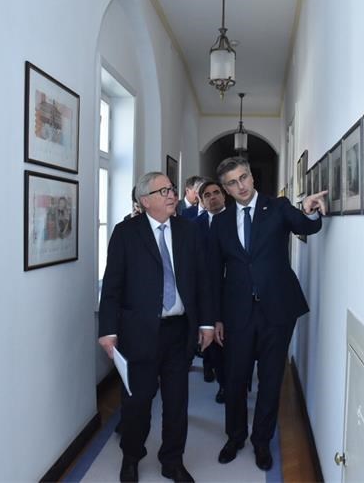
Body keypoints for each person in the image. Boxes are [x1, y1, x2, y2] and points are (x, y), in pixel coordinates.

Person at [209, 156, 327, 471]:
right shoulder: (220, 222)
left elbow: (307, 226)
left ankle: (262, 441)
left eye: (243, 177)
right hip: (237, 314)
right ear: (225, 189)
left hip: (277, 310)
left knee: (271, 380)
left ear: (251, 176)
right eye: (232, 183)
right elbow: (213, 272)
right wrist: (216, 317)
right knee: (235, 379)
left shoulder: (277, 207)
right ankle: (235, 437)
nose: (241, 186)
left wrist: (309, 210)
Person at [98, 172, 215, 483]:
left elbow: (202, 281)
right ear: (145, 201)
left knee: (177, 403)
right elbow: (112, 286)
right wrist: (108, 330)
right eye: (163, 191)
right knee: (137, 402)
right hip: (139, 333)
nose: (172, 194)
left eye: (172, 189)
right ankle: (131, 457)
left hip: (179, 331)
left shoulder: (188, 231)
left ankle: (172, 461)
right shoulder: (126, 233)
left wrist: (206, 323)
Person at [193, 180, 227, 403]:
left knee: (227, 340)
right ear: (202, 201)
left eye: (216, 193)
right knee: (210, 335)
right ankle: (210, 367)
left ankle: (228, 383)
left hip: (231, 289)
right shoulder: (195, 225)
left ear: (224, 195)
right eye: (207, 195)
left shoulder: (236, 219)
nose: (213, 197)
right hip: (206, 290)